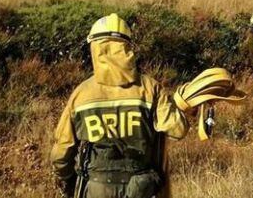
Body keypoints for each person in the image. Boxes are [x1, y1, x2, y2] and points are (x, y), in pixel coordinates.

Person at [51, 14, 189, 198]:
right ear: (127, 48)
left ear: (94, 48)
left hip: (96, 189)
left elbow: (61, 153)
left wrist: (67, 181)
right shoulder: (150, 88)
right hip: (141, 189)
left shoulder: (81, 95)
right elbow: (177, 130)